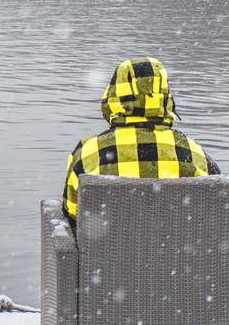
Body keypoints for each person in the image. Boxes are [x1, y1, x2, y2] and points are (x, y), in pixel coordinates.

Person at [61, 56, 220, 228]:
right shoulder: (196, 154)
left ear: (113, 96)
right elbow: (218, 212)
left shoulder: (88, 153)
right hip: (183, 245)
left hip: (109, 245)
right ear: (166, 97)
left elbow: (72, 213)